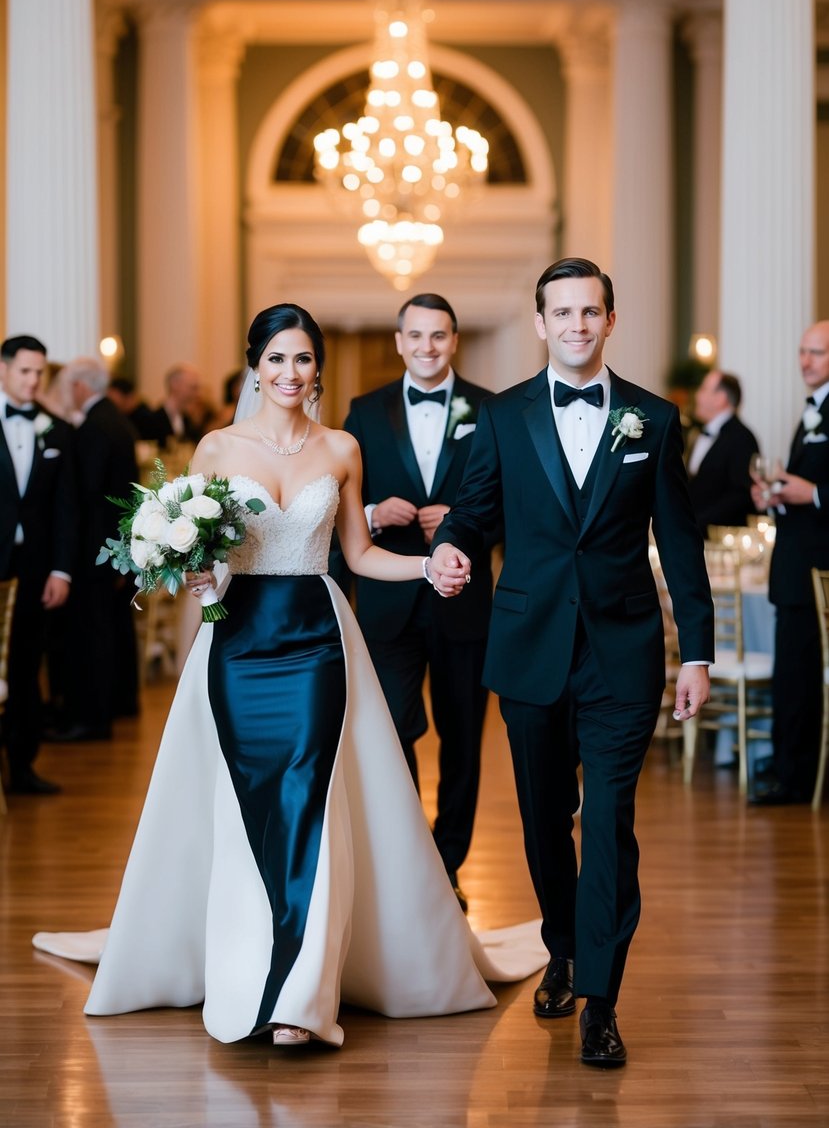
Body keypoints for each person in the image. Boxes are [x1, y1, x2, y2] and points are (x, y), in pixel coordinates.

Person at [34, 304, 544, 1047]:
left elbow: (360, 554)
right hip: (235, 643)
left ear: (316, 370)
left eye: (302, 359)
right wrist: (198, 583)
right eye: (276, 359)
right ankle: (248, 965)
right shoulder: (215, 447)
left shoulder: (340, 449)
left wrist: (429, 566)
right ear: (255, 367)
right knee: (250, 802)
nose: (289, 373)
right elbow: (194, 557)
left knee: (306, 798)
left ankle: (299, 999)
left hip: (316, 641)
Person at [429, 258, 714, 1067]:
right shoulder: (504, 416)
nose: (577, 326)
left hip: (623, 654)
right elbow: (475, 508)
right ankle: (559, 945)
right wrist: (450, 546)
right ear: (540, 322)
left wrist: (696, 651)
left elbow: (680, 543)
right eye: (563, 313)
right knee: (544, 818)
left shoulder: (653, 420)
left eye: (591, 312)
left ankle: (600, 996)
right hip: (528, 651)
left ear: (610, 321)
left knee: (610, 821)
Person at [341, 293, 496, 911]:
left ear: (453, 340)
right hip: (389, 602)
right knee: (394, 729)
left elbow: (514, 503)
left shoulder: (491, 410)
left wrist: (465, 522)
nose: (427, 347)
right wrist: (376, 513)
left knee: (463, 740)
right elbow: (341, 499)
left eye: (440, 336)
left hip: (463, 602)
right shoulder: (364, 410)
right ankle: (407, 858)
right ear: (400, 341)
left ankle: (449, 865)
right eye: (417, 336)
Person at [749, 321, 829, 805]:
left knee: (800, 678)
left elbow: (818, 488)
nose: (805, 361)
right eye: (802, 351)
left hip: (817, 572)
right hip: (796, 568)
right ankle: (786, 769)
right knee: (791, 676)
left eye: (816, 352)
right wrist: (778, 496)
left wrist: (814, 493)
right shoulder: (812, 412)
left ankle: (796, 778)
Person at [0, 335, 77, 794]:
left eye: (39, 372)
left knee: (27, 665)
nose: (33, 380)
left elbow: (67, 508)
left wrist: (61, 570)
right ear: (4, 369)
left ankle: (22, 767)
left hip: (35, 568)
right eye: (26, 371)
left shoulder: (57, 430)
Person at [55, 357, 140, 740]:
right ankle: (118, 703)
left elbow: (87, 494)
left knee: (92, 633)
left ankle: (92, 717)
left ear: (80, 386)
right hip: (114, 540)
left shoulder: (93, 427)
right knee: (109, 628)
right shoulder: (116, 420)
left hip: (95, 545)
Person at [686, 370, 759, 533]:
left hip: (723, 539)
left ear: (720, 399)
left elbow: (741, 494)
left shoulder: (742, 438)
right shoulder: (698, 433)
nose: (697, 395)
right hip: (694, 534)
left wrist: (699, 521)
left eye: (703, 389)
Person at [135, 363, 203, 447]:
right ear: (175, 385)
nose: (197, 394)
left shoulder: (187, 420)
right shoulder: (151, 420)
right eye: (193, 388)